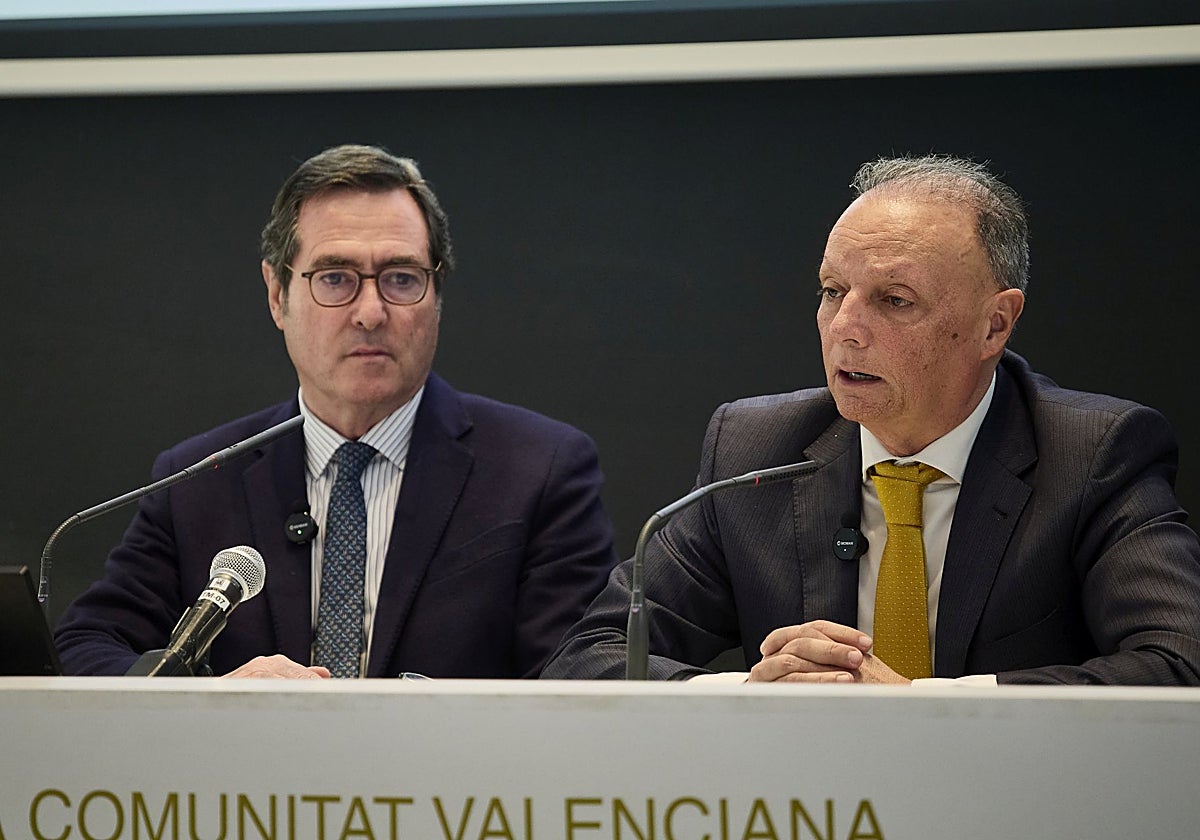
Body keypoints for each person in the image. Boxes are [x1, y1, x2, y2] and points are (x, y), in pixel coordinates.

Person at [543, 154, 1200, 686]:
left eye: (894, 299)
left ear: (993, 323)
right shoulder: (754, 449)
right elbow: (589, 657)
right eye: (833, 292)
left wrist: (923, 709)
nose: (845, 330)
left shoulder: (1092, 456)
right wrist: (749, 695)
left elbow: (1180, 662)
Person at [55, 144, 618, 679]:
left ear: (437, 295)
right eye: (335, 279)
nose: (371, 312)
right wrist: (212, 695)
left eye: (401, 278)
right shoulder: (199, 481)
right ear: (278, 295)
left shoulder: (540, 471)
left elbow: (573, 678)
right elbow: (85, 645)